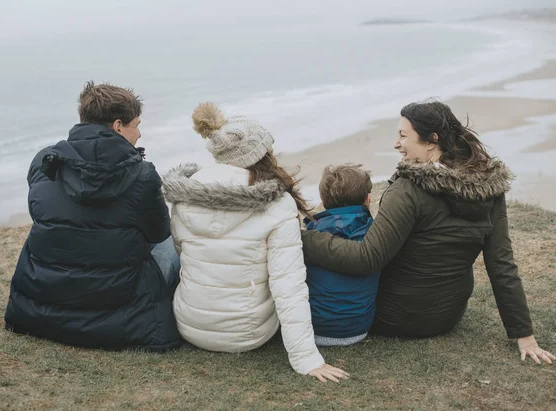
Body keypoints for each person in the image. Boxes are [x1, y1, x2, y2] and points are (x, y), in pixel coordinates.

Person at [300, 100, 555, 365]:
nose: (396, 144)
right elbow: (501, 264)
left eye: (402, 135)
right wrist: (524, 335)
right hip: (448, 315)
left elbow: (367, 258)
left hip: (395, 316)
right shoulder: (489, 188)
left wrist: (302, 238)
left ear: (431, 140)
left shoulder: (408, 189)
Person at [162, 102, 348, 382]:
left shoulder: (186, 194)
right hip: (247, 334)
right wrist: (306, 358)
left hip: (190, 326)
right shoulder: (277, 204)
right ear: (260, 153)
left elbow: (182, 253)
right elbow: (288, 286)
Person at [4, 81, 182, 351]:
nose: (140, 133)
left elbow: (40, 211)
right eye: (136, 124)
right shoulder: (142, 175)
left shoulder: (47, 160)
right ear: (118, 126)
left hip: (43, 302)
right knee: (174, 243)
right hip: (119, 306)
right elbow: (158, 232)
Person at [304, 164, 380, 347]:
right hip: (359, 329)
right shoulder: (375, 234)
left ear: (322, 199)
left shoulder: (313, 232)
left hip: (314, 329)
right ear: (368, 199)